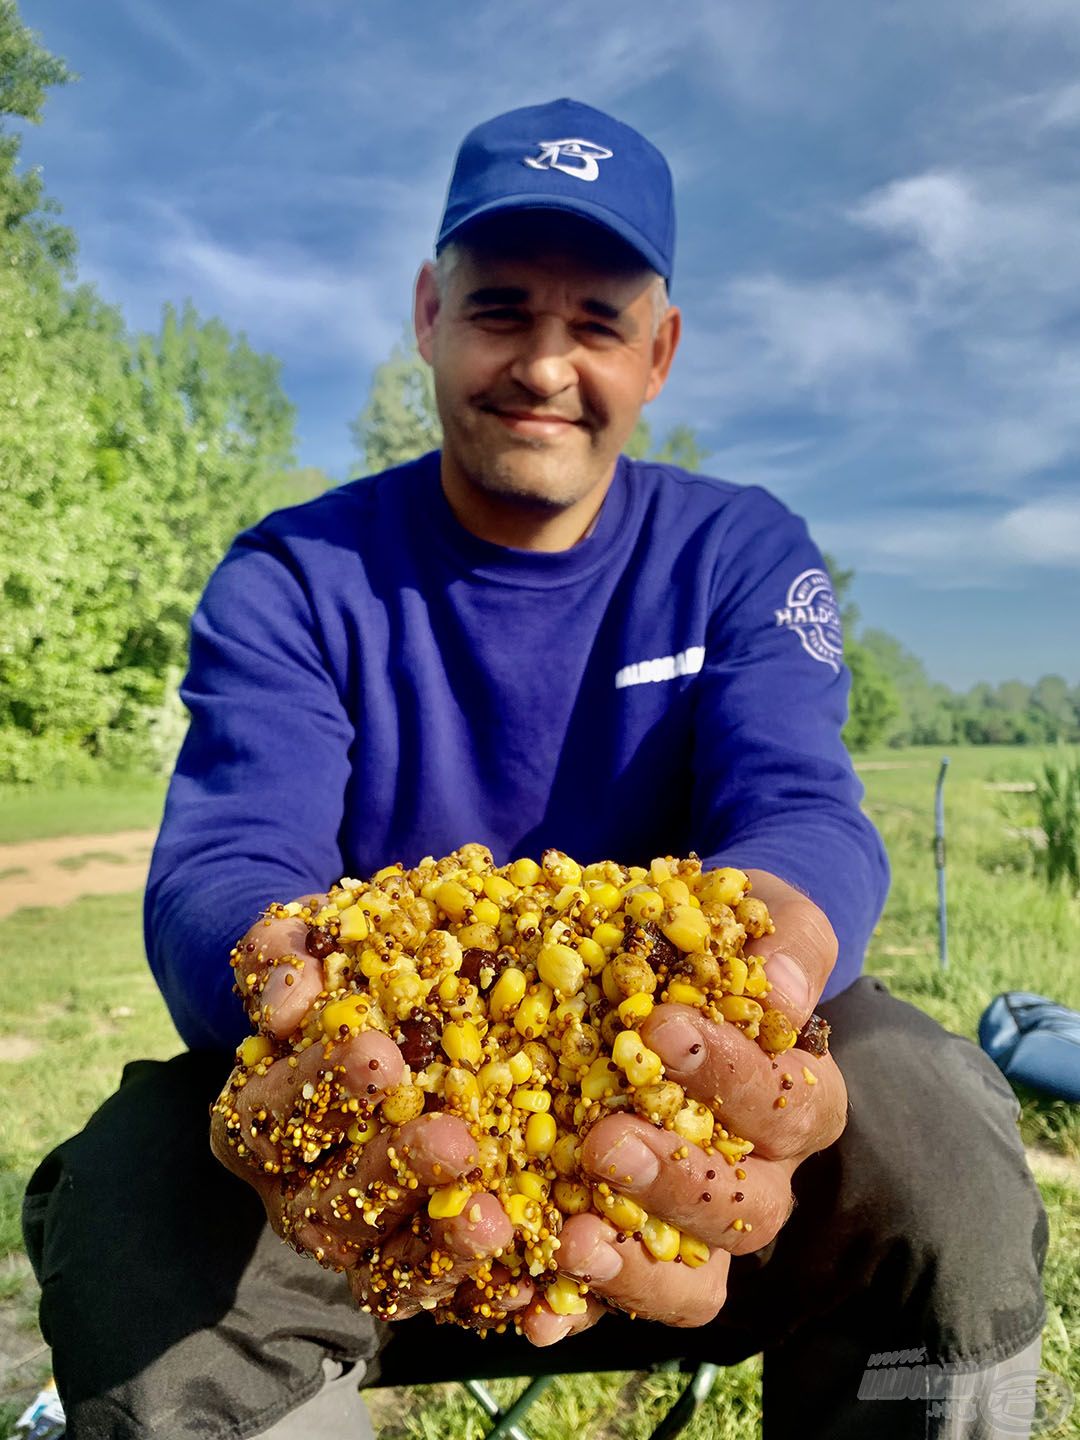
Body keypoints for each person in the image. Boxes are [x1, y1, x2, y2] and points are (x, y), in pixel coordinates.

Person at [23, 98, 1048, 1440]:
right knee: (136, 1201)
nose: (547, 365)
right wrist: (297, 990)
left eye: (599, 323)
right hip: (378, 1160)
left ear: (661, 351)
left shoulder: (738, 551)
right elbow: (226, 860)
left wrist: (765, 971)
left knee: (937, 1131)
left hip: (700, 1164)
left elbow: (799, 805)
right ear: (427, 316)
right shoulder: (295, 575)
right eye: (502, 309)